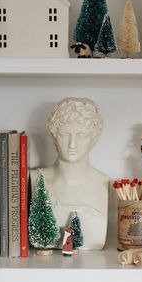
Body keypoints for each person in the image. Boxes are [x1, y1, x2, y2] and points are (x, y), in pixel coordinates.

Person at [31, 97, 109, 250]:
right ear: (54, 136)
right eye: (64, 135)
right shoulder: (35, 179)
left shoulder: (103, 183)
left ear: (93, 139)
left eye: (81, 136)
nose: (72, 144)